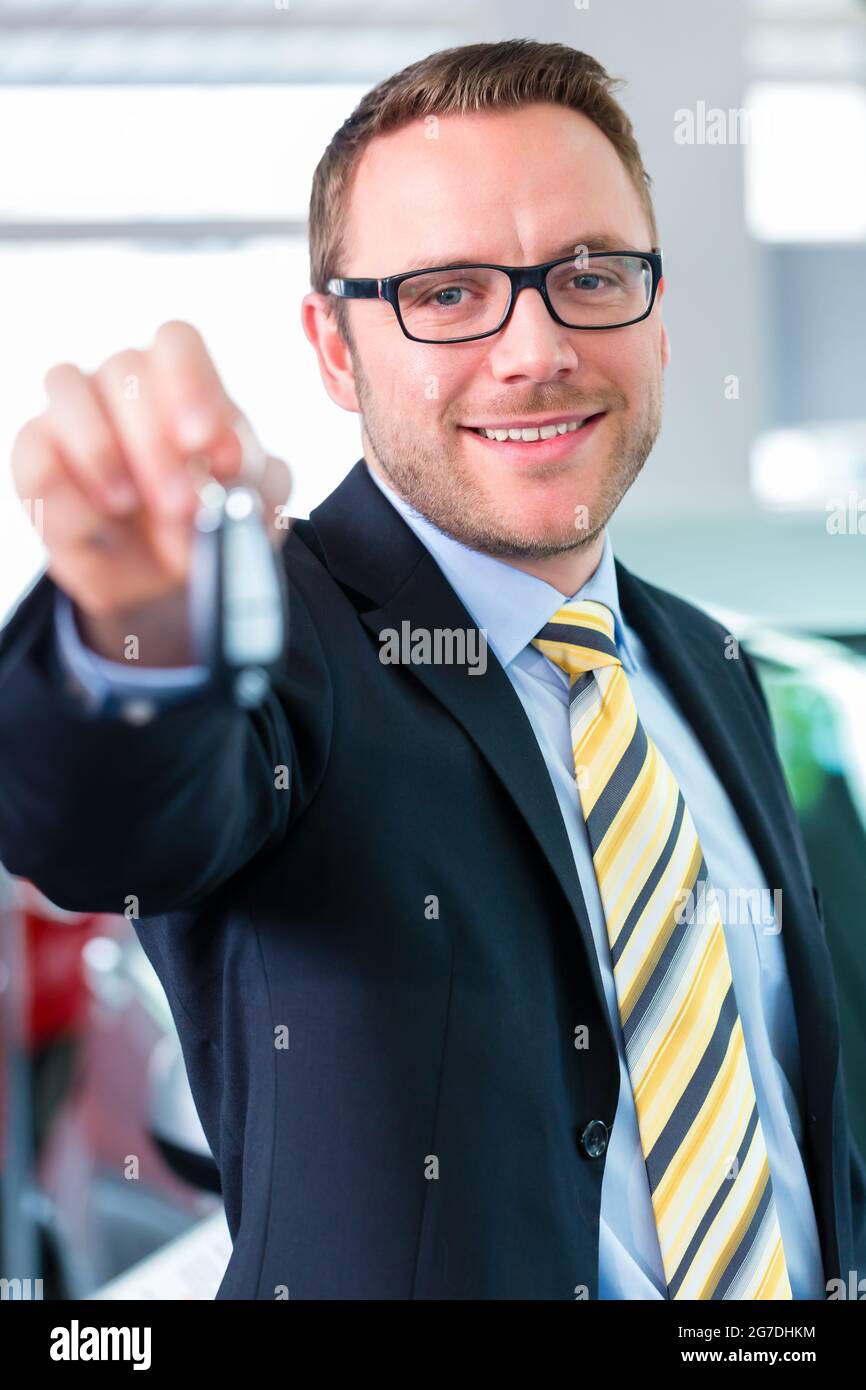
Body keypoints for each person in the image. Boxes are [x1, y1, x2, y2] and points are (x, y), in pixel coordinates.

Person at [1, 38, 863, 1301]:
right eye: (447, 294)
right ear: (336, 347)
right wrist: (140, 634)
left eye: (588, 273)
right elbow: (105, 815)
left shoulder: (701, 660)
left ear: (658, 314)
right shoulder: (280, 648)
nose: (533, 349)